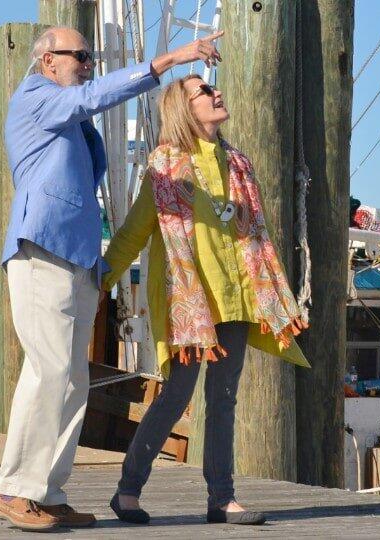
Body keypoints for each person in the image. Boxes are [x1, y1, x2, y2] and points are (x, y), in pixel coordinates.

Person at [0, 26, 224, 532]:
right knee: (49, 372)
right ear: (48, 61)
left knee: (73, 382)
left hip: (76, 260)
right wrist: (169, 60)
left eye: (92, 58)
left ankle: (45, 492)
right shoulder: (35, 96)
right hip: (42, 250)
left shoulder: (70, 118)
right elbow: (94, 97)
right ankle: (13, 489)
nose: (89, 64)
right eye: (81, 56)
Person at [101, 75, 309, 527]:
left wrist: (269, 290)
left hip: (235, 297)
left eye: (214, 88)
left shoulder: (238, 163)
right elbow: (136, 230)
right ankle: (128, 490)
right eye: (204, 92)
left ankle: (222, 498)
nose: (217, 93)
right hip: (189, 302)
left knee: (225, 398)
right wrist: (99, 280)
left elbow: (256, 232)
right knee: (175, 396)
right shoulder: (166, 166)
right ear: (183, 108)